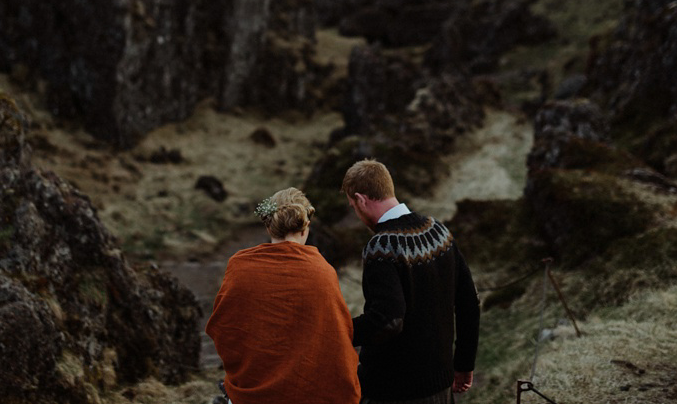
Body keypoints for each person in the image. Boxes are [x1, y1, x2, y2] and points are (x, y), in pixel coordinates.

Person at [341, 160, 480, 403]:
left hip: (396, 391)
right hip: (441, 386)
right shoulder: (439, 231)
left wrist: (337, 330)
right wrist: (464, 363)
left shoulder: (381, 247)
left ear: (362, 199)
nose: (357, 213)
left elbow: (388, 320)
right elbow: (469, 301)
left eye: (354, 205)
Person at [206, 187, 361, 404]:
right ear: (305, 227)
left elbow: (225, 330)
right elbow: (334, 338)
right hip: (308, 394)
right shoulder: (322, 271)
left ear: (269, 227)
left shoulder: (239, 266)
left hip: (251, 393)